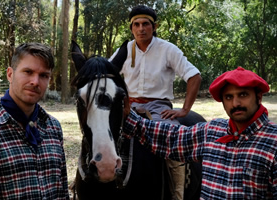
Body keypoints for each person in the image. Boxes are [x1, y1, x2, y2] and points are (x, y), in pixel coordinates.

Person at [123, 66, 277, 199]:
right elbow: (171, 138)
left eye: (243, 95)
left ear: (258, 97)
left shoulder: (273, 143)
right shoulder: (212, 131)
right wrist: (127, 116)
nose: (235, 103)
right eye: (229, 97)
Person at [110, 5, 202, 200]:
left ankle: (177, 192)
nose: (141, 28)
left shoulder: (167, 49)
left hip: (159, 107)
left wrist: (185, 109)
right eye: (136, 24)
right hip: (129, 107)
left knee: (172, 139)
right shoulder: (125, 49)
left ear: (154, 26)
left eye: (145, 24)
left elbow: (194, 76)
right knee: (101, 133)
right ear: (131, 27)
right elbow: (107, 73)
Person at [0, 43, 69, 199]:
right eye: (28, 72)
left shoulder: (53, 128)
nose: (35, 81)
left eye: (43, 75)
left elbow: (62, 193)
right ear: (10, 74)